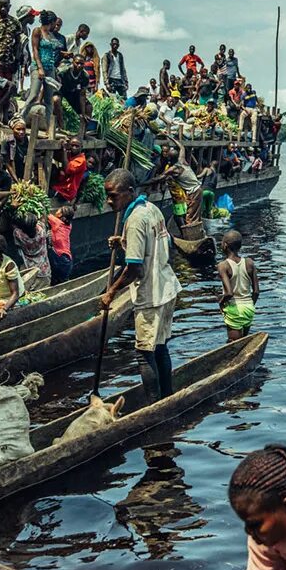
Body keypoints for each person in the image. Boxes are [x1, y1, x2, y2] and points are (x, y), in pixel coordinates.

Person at [99, 169, 180, 400]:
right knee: (160, 346)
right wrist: (123, 242)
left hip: (151, 293)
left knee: (144, 353)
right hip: (167, 287)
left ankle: (153, 404)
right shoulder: (150, 209)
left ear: (130, 192)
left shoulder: (135, 221)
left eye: (114, 196)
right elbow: (157, 245)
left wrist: (110, 293)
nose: (109, 201)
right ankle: (167, 395)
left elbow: (134, 268)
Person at [218, 229, 258, 340]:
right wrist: (249, 305)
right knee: (244, 343)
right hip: (249, 308)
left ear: (225, 245)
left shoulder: (223, 266)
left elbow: (229, 293)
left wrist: (221, 303)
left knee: (233, 346)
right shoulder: (249, 263)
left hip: (234, 309)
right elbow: (256, 292)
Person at [25, 10, 65, 119]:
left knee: (49, 100)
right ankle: (20, 118)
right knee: (33, 95)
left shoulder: (51, 35)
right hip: (38, 67)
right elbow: (35, 50)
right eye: (54, 23)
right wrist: (40, 68)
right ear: (51, 22)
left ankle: (48, 126)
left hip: (50, 68)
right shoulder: (37, 31)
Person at [53, 136, 87, 203]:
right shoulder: (70, 155)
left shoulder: (81, 160)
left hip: (66, 192)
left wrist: (64, 150)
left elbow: (67, 169)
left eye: (76, 146)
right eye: (72, 145)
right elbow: (57, 156)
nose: (74, 147)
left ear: (81, 147)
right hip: (59, 187)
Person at [47, 204, 74, 285]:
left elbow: (45, 212)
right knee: (63, 281)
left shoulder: (57, 223)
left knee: (56, 280)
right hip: (67, 259)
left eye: (59, 210)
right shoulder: (69, 225)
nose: (56, 211)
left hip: (60, 257)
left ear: (60, 215)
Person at [59, 54, 92, 121]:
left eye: (81, 64)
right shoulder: (64, 71)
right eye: (77, 63)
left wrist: (83, 113)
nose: (79, 65)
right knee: (56, 100)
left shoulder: (85, 76)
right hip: (61, 90)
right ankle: (60, 125)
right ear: (73, 62)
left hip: (72, 93)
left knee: (88, 107)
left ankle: (85, 127)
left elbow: (82, 95)